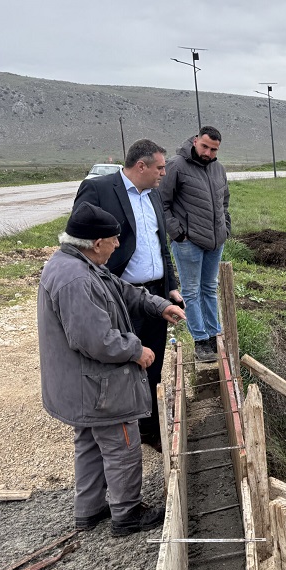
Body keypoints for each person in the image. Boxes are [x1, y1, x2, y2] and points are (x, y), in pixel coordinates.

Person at [37, 203, 186, 535]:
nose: (118, 245)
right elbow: (95, 340)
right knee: (123, 442)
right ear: (96, 242)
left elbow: (121, 290)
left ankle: (90, 509)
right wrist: (136, 351)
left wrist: (159, 305)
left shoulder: (76, 263)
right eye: (114, 239)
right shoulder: (76, 279)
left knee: (89, 442)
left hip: (80, 384)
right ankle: (127, 512)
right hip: (96, 387)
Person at [73, 138, 183, 449]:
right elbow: (79, 242)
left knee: (153, 362)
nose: (164, 173)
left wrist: (171, 285)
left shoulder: (154, 194)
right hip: (119, 293)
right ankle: (121, 428)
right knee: (124, 364)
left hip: (155, 295)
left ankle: (149, 429)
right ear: (141, 166)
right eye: (160, 167)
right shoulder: (99, 189)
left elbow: (161, 245)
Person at [160, 126, 231, 363]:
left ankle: (214, 335)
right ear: (195, 141)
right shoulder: (176, 165)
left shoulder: (218, 169)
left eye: (214, 150)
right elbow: (162, 203)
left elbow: (224, 202)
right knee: (191, 292)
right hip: (188, 242)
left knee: (209, 288)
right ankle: (201, 341)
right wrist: (178, 234)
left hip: (215, 241)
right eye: (205, 147)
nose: (208, 153)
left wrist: (225, 228)